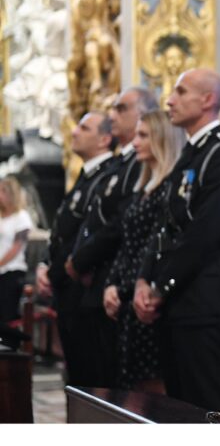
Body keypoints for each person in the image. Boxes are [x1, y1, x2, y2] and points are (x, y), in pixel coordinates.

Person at [134, 68, 220, 412]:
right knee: (179, 406)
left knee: (207, 406)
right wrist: (143, 277)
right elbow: (164, 223)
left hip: (201, 299)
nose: (170, 99)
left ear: (208, 100)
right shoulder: (191, 154)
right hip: (176, 299)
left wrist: (159, 286)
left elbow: (204, 234)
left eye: (180, 91)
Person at [104, 110, 184, 391]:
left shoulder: (169, 188)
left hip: (146, 296)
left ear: (162, 139)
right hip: (129, 294)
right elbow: (128, 245)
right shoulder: (144, 188)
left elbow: (154, 247)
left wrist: (129, 288)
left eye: (143, 135)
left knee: (152, 391)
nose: (135, 142)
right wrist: (112, 285)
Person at [68, 87, 158, 324]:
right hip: (100, 278)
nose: (112, 116)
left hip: (114, 278)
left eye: (121, 108)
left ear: (144, 114)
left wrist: (82, 261)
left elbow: (121, 224)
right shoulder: (121, 163)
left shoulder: (139, 164)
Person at [41, 111, 117, 387]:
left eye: (84, 128)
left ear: (105, 139)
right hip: (66, 285)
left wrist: (55, 273)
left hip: (82, 285)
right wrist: (44, 268)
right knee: (75, 376)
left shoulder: (107, 175)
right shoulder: (87, 175)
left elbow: (84, 233)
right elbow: (62, 228)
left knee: (90, 378)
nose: (74, 132)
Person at [0, 177, 34, 323]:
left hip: (12, 270)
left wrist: (0, 263)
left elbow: (17, 246)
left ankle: (8, 344)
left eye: (2, 191)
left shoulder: (21, 217)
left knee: (7, 313)